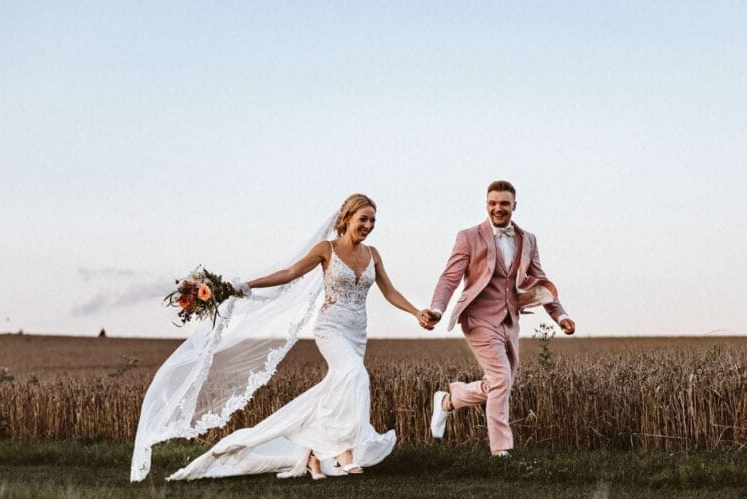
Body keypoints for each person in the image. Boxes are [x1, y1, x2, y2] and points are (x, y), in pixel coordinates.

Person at [167, 194, 429, 481]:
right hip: (331, 329)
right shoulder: (326, 249)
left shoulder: (373, 254)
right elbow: (290, 273)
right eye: (363, 219)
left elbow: (389, 291)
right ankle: (343, 450)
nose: (368, 225)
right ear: (347, 219)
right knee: (356, 375)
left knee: (338, 389)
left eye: (373, 220)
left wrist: (417, 312)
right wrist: (245, 286)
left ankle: (313, 455)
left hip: (357, 334)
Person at [421, 180, 575, 457]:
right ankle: (501, 450)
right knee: (501, 378)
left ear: (515, 206)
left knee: (500, 384)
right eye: (492, 203)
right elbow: (449, 278)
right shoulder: (468, 237)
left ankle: (449, 400)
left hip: (510, 321)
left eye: (504, 203)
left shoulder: (528, 240)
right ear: (486, 204)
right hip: (478, 319)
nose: (498, 208)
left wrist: (560, 316)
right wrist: (437, 310)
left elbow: (539, 281)